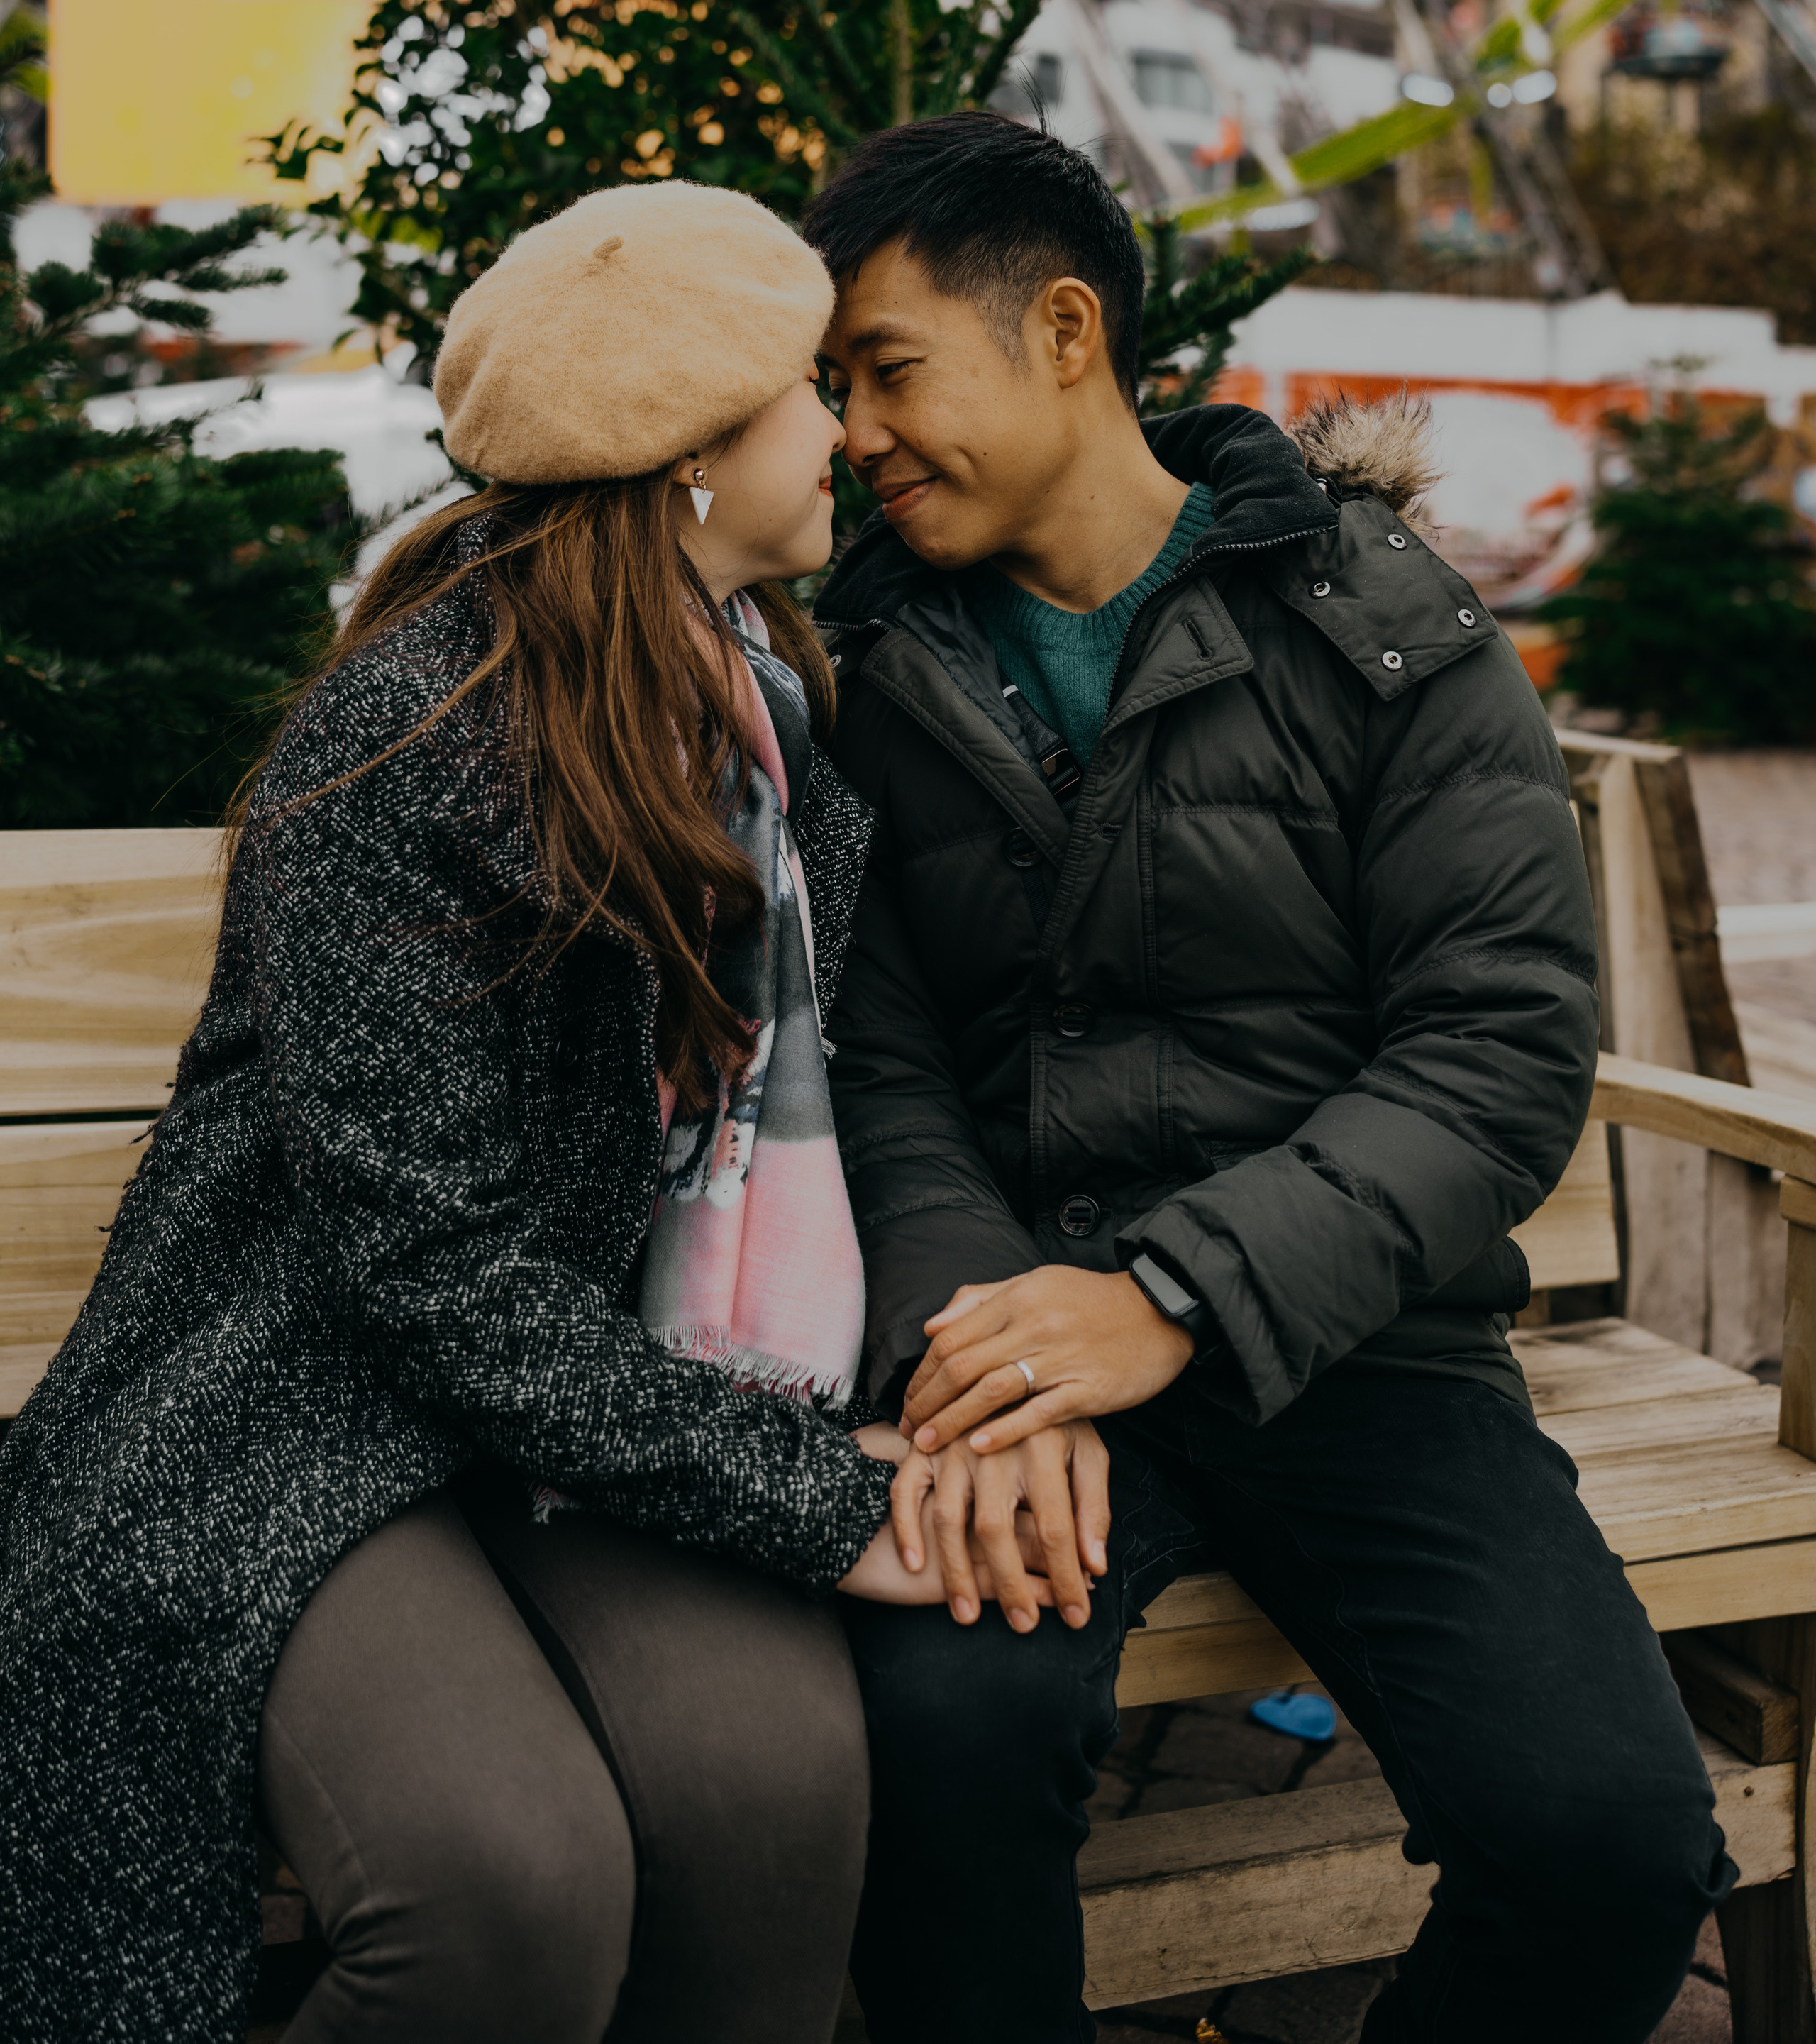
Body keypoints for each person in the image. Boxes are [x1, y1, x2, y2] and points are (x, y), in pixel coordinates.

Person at [0, 181, 1039, 2044]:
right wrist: (812, 1497)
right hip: (292, 1396)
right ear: (686, 462)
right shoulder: (405, 742)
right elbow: (436, 1279)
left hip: (597, 1387)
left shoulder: (760, 715)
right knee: (506, 1883)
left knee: (773, 1792)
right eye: (808, 388)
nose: (850, 430)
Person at [804, 111, 1734, 2044]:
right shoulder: (863, 680)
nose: (855, 433)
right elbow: (876, 1063)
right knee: (941, 1756)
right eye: (833, 389)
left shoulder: (1387, 641)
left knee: (1609, 1840)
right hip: (1012, 1341)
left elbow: (1493, 1056)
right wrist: (985, 1345)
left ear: (1065, 331)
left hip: (1362, 1350)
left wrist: (1169, 1298)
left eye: (887, 370)